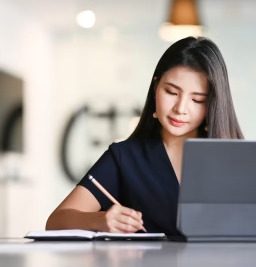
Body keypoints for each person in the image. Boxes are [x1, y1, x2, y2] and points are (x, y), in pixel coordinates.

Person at [46, 36, 243, 236]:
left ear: (213, 104)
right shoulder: (125, 157)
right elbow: (56, 220)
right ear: (156, 87)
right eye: (172, 92)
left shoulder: (238, 159)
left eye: (197, 100)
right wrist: (101, 220)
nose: (180, 108)